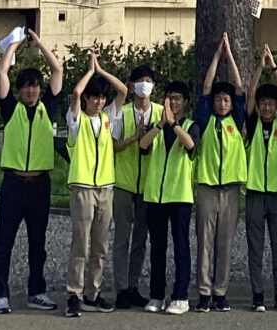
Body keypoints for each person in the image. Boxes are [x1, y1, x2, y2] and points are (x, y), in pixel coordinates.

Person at [0, 29, 64, 314]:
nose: (31, 91)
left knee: (38, 244)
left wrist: (40, 44)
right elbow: (1, 73)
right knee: (5, 243)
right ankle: (0, 294)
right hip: (13, 183)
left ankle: (37, 292)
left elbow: (57, 70)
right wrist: (14, 46)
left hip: (40, 184)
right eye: (26, 87)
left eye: (35, 86)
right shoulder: (11, 109)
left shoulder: (48, 107)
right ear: (20, 90)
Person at [63, 50, 129, 316]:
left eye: (102, 98)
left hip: (105, 188)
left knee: (100, 245)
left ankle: (93, 293)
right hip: (83, 187)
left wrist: (101, 71)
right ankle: (74, 294)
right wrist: (89, 72)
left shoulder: (107, 118)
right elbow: (76, 93)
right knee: (81, 244)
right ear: (87, 99)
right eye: (95, 97)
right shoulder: (76, 120)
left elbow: (123, 91)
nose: (100, 102)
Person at [191, 31, 247, 312]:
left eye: (226, 100)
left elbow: (240, 88)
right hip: (207, 188)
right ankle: (204, 291)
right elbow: (205, 86)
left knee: (225, 243)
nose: (222, 103)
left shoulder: (236, 120)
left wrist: (231, 58)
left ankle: (220, 291)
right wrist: (217, 56)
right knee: (205, 243)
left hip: (231, 189)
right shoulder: (206, 118)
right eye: (219, 99)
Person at [140, 79, 196, 315]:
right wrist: (161, 124)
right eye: (170, 98)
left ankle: (181, 296)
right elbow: (143, 145)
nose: (173, 102)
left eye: (178, 98)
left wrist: (173, 124)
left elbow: (190, 145)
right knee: (157, 248)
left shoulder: (191, 125)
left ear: (185, 102)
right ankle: (157, 295)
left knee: (181, 247)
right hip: (155, 196)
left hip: (180, 195)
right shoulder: (157, 126)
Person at [244, 46, 277, 312]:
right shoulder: (253, 124)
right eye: (264, 103)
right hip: (254, 193)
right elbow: (250, 94)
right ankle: (258, 295)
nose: (266, 106)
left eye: (271, 104)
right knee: (255, 247)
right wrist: (259, 67)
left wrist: (274, 67)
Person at [112, 62, 161, 308]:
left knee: (140, 240)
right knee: (122, 238)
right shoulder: (122, 112)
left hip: (148, 185)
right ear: (132, 86)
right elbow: (113, 146)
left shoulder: (161, 112)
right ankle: (121, 288)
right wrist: (134, 138)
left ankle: (133, 286)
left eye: (148, 81)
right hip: (124, 182)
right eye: (140, 81)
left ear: (154, 86)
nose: (144, 85)